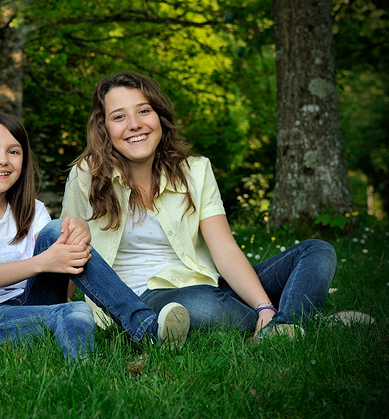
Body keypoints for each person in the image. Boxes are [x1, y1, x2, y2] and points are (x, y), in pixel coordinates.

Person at [61, 71, 338, 338]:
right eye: (119, 116)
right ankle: (305, 318)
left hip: (210, 286)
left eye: (144, 110)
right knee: (202, 306)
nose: (134, 123)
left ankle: (283, 324)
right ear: (104, 128)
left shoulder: (196, 170)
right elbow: (70, 251)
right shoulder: (87, 175)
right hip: (145, 299)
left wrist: (262, 305)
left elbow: (225, 250)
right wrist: (58, 310)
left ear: (160, 116)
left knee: (317, 251)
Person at [0, 112, 190, 362]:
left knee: (58, 230)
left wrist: (79, 229)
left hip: (34, 302)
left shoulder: (33, 210)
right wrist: (45, 262)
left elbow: (62, 273)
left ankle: (147, 329)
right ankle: (91, 370)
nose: (3, 160)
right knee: (75, 311)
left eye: (13, 151)